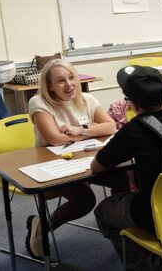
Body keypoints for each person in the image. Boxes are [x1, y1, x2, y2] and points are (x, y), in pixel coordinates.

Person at [91, 65, 162, 271]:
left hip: (158, 213)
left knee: (104, 212)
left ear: (132, 103)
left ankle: (144, 262)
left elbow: (97, 167)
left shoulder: (134, 129)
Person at [26, 59, 116, 259]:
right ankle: (42, 226)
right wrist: (91, 131)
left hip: (85, 159)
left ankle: (122, 231)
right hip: (49, 164)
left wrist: (79, 130)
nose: (69, 85)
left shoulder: (87, 99)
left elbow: (111, 126)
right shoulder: (38, 102)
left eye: (71, 78)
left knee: (126, 178)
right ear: (49, 85)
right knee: (85, 200)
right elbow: (54, 139)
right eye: (60, 81)